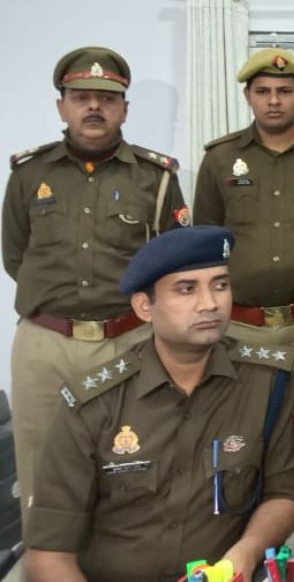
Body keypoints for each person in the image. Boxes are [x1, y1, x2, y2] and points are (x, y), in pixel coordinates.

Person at [24, 225, 294, 582]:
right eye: (187, 289)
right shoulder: (92, 403)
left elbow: (285, 494)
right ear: (145, 306)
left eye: (220, 285)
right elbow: (48, 555)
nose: (210, 303)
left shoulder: (268, 382)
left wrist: (247, 551)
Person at [1, 46, 187, 522]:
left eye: (106, 99)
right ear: (61, 106)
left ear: (124, 108)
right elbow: (16, 256)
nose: (94, 108)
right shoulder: (29, 174)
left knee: (134, 462)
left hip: (129, 340)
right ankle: (48, 558)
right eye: (81, 97)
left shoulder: (156, 177)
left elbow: (176, 264)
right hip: (45, 344)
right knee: (42, 467)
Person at [193, 47, 294, 539]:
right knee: (240, 442)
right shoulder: (220, 158)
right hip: (241, 329)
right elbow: (203, 245)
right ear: (248, 96)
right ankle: (241, 551)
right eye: (262, 91)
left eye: (284, 91)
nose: (273, 100)